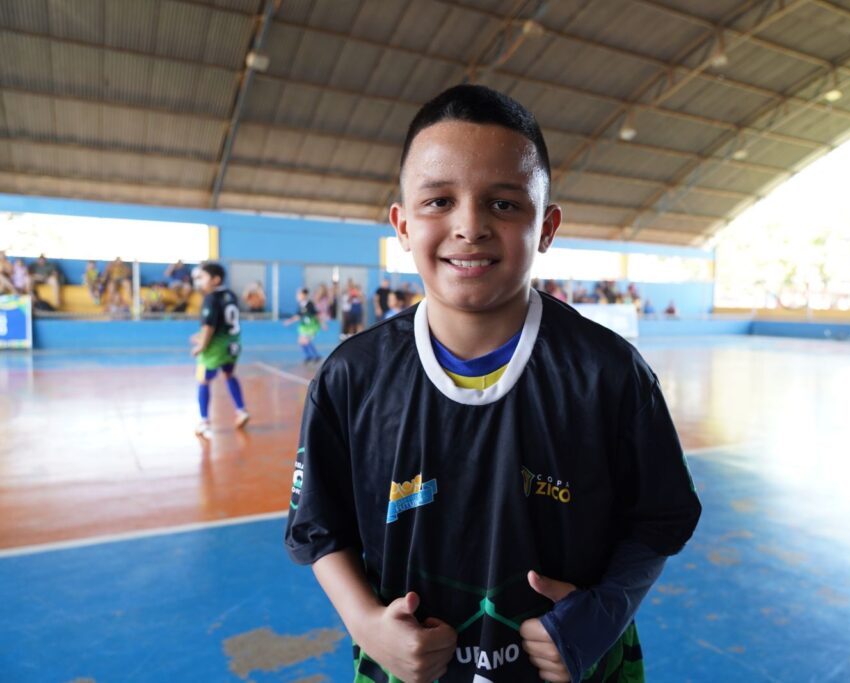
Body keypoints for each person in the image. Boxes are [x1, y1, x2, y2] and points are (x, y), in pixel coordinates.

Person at [284, 85, 701, 683]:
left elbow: (660, 517)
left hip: (581, 666)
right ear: (403, 225)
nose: (470, 227)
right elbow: (320, 528)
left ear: (546, 227)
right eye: (438, 201)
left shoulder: (609, 373)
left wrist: (607, 609)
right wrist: (365, 624)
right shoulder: (352, 376)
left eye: (503, 204)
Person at [190, 261, 248, 439]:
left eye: (202, 277)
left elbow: (209, 326)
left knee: (203, 381)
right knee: (229, 375)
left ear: (215, 279)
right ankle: (241, 410)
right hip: (233, 345)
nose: (199, 281)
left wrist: (201, 345)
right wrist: (201, 336)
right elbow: (224, 322)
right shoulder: (231, 295)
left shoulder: (211, 298)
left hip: (214, 349)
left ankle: (204, 421)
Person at [284, 287, 322, 365]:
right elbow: (298, 315)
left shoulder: (310, 304)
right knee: (301, 341)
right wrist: (290, 321)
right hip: (304, 326)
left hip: (311, 326)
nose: (297, 296)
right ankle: (309, 356)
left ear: (304, 295)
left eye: (299, 294)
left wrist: (322, 324)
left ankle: (315, 356)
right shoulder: (301, 305)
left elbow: (316, 315)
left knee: (306, 340)